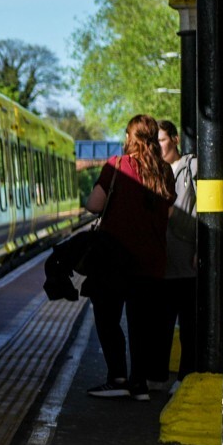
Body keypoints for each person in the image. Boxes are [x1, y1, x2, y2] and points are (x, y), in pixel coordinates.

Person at [82, 114, 175, 400]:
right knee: (142, 324)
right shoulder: (165, 171)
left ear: (130, 138)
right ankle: (139, 384)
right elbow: (168, 213)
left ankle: (117, 377)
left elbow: (94, 205)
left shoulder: (118, 165)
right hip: (152, 261)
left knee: (107, 318)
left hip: (114, 259)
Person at [158, 120, 198, 382]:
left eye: (161, 140)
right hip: (161, 261)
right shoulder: (155, 171)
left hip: (186, 258)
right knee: (160, 325)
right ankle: (158, 375)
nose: (158, 146)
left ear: (174, 139)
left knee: (188, 327)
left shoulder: (191, 166)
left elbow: (207, 207)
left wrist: (201, 246)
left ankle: (186, 377)